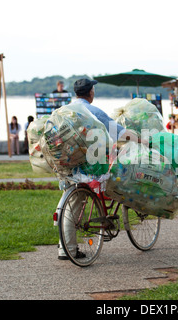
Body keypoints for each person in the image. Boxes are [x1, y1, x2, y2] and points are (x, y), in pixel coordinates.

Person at [59, 78, 136, 261]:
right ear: (91, 93)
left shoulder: (64, 111)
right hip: (86, 167)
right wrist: (138, 139)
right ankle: (68, 249)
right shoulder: (93, 111)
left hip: (65, 164)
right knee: (76, 204)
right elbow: (117, 131)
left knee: (68, 203)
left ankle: (64, 247)